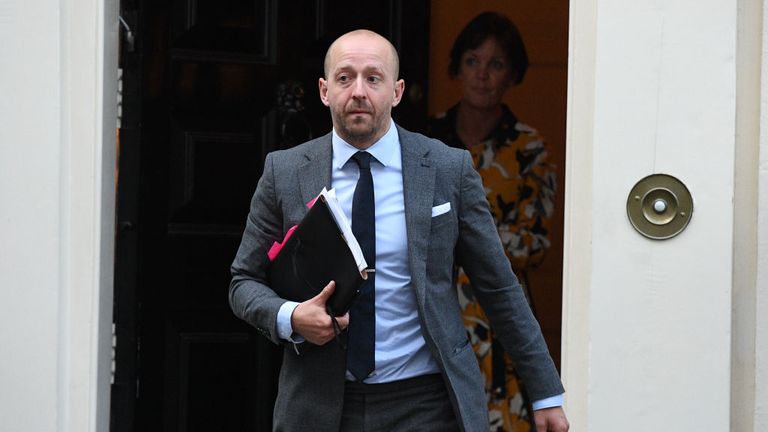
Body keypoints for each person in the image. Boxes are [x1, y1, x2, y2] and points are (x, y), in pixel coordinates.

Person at [229, 29, 568, 432]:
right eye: (344, 78)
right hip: (321, 402)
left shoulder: (447, 168)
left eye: (373, 78)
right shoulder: (284, 172)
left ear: (397, 91)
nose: (358, 91)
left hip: (427, 401)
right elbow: (243, 281)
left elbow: (498, 286)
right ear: (324, 91)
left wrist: (545, 391)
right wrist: (291, 316)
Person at [428, 12, 558, 431]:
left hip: (498, 313)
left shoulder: (529, 148)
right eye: (472, 61)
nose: (482, 75)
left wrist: (462, 238)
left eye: (496, 64)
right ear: (456, 69)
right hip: (432, 309)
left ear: (512, 75)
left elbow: (534, 244)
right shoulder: (426, 143)